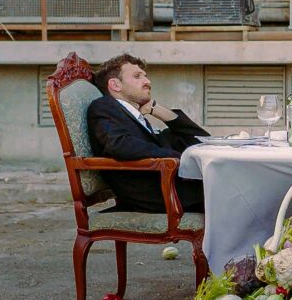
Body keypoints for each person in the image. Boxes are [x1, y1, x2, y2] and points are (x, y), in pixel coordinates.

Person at [87, 54, 208, 213]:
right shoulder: (104, 106)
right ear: (115, 85)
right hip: (154, 195)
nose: (148, 81)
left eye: (146, 76)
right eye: (138, 76)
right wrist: (180, 159)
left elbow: (202, 140)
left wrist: (155, 109)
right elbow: (119, 145)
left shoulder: (133, 116)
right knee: (232, 188)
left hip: (168, 188)